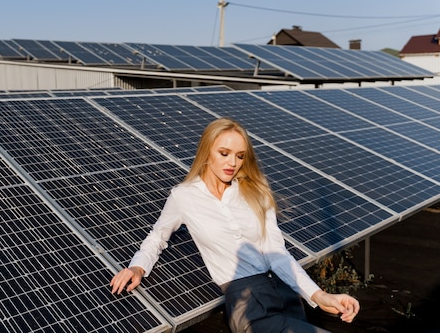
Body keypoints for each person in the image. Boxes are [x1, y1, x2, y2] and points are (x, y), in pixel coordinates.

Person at [110, 118, 359, 333]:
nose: (233, 163)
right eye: (224, 153)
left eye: (240, 156)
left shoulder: (256, 192)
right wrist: (137, 268)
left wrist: (319, 296)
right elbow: (158, 236)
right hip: (247, 304)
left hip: (286, 294)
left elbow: (278, 253)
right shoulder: (183, 196)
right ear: (207, 151)